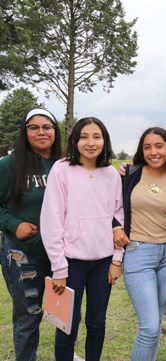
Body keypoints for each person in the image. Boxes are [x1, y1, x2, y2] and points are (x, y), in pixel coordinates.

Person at [40, 117, 125, 361]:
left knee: (97, 323)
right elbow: (51, 219)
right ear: (75, 141)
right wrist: (58, 266)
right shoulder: (62, 169)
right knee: (66, 324)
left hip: (103, 262)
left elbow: (118, 219)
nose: (90, 142)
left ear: (104, 141)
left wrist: (117, 260)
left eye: (96, 136)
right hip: (70, 263)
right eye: (84, 137)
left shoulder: (111, 174)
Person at [114, 126, 166, 361]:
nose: (153, 152)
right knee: (150, 326)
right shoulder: (131, 174)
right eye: (147, 147)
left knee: (156, 319)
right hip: (138, 252)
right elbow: (112, 206)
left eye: (159, 146)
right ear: (141, 150)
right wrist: (115, 226)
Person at [0, 108, 62, 361]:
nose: (41, 132)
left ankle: (65, 354)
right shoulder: (9, 164)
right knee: (29, 313)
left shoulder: (66, 163)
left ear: (56, 131)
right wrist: (14, 224)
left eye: (47, 126)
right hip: (23, 252)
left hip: (60, 252)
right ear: (25, 132)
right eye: (34, 127)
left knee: (65, 311)